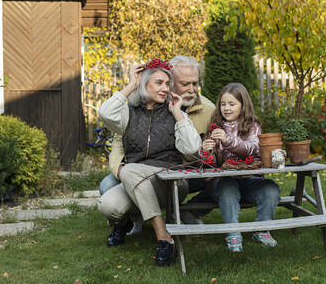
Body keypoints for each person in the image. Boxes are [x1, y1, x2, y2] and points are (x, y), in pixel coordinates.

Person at [98, 58, 201, 266]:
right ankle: (152, 231)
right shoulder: (129, 112)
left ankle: (163, 237)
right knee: (109, 206)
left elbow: (192, 148)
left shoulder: (174, 112)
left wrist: (179, 114)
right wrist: (130, 85)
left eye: (167, 83)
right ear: (144, 84)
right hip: (136, 181)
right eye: (159, 83)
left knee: (129, 171)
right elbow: (105, 113)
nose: (165, 88)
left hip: (169, 182)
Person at [202, 83, 280, 252]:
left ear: (243, 106)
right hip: (224, 182)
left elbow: (251, 149)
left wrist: (227, 141)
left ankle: (261, 229)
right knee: (228, 187)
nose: (226, 108)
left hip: (249, 180)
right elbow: (211, 164)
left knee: (271, 189)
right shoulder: (215, 127)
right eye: (223, 104)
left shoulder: (253, 127)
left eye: (232, 104)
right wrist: (205, 152)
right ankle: (233, 232)